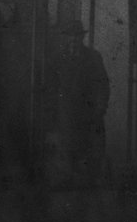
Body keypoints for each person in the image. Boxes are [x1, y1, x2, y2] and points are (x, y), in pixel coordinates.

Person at [45, 19, 110, 187]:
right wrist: (53, 115)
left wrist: (100, 108)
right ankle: (66, 180)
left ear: (82, 37)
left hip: (88, 112)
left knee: (90, 153)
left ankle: (90, 182)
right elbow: (51, 89)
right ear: (65, 38)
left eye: (77, 35)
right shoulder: (57, 59)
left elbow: (102, 84)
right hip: (66, 113)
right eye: (70, 36)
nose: (73, 39)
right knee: (66, 152)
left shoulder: (93, 57)